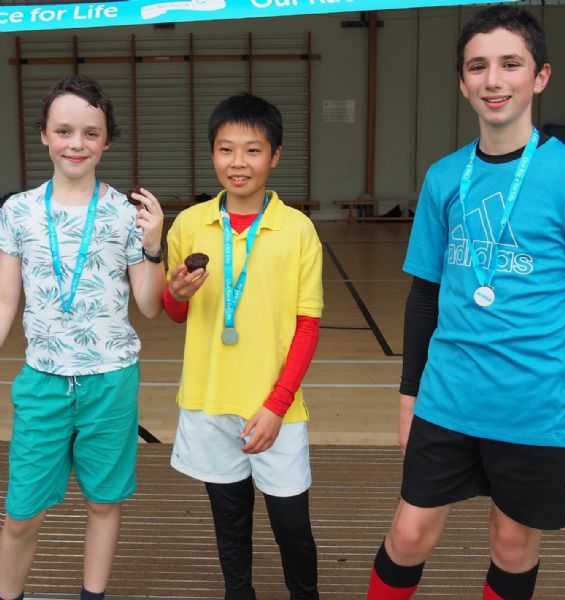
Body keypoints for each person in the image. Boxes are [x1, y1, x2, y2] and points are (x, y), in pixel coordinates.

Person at [366, 5, 565, 600]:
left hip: (534, 403)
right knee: (409, 533)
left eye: (510, 64)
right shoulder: (445, 177)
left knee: (512, 544)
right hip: (448, 396)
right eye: (478, 67)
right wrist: (409, 396)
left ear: (540, 77)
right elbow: (424, 297)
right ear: (463, 83)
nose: (493, 80)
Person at [0, 74, 166, 600]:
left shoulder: (126, 214)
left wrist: (155, 245)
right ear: (44, 135)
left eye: (91, 133)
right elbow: (5, 301)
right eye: (64, 131)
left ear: (106, 140)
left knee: (103, 503)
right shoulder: (17, 212)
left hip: (111, 382)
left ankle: (92, 596)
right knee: (20, 515)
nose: (77, 144)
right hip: (43, 383)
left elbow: (149, 306)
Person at [162, 93, 323, 600]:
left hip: (276, 408)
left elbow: (308, 326)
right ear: (212, 153)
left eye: (252, 150)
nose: (238, 162)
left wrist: (277, 405)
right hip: (210, 401)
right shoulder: (189, 224)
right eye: (226, 149)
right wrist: (176, 294)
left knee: (292, 526)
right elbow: (176, 311)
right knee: (229, 523)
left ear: (275, 156)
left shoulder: (298, 230)